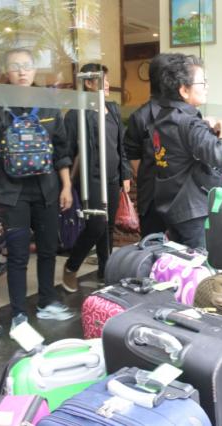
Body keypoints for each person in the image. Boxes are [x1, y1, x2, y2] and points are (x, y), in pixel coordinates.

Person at [0, 48, 74, 332]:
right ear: (6, 72)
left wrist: (67, 186)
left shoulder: (48, 103)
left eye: (26, 65)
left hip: (47, 189)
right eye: (15, 66)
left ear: (35, 69)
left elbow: (61, 148)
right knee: (18, 254)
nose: (22, 71)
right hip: (12, 193)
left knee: (48, 250)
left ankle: (46, 302)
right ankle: (19, 315)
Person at [153, 53, 222, 248]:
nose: (207, 87)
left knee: (181, 262)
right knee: (200, 264)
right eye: (202, 82)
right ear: (184, 90)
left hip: (171, 204)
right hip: (193, 210)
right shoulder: (189, 122)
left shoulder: (164, 116)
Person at [61, 63, 132, 291]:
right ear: (89, 83)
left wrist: (125, 174)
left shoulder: (112, 109)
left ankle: (105, 270)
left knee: (107, 227)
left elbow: (120, 145)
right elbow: (66, 151)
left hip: (112, 177)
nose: (108, 84)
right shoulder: (76, 114)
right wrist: (65, 185)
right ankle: (71, 267)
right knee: (96, 226)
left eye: (107, 79)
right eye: (103, 80)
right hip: (90, 179)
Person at [124, 54, 172, 237]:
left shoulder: (189, 113)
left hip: (184, 201)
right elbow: (133, 156)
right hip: (153, 199)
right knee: (154, 245)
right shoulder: (141, 117)